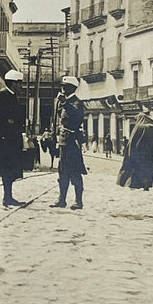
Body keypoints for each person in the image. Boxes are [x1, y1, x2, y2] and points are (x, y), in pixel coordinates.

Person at [0, 69, 25, 208]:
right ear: (13, 84)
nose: (21, 87)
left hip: (12, 142)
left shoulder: (13, 98)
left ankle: (8, 197)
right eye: (20, 84)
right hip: (0, 142)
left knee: (9, 171)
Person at [50, 76, 88, 210]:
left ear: (72, 88)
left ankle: (78, 201)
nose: (62, 89)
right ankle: (62, 200)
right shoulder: (63, 102)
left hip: (72, 141)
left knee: (75, 171)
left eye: (65, 87)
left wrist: (65, 103)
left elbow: (77, 116)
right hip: (63, 141)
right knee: (62, 172)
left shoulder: (76, 102)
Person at [116, 108, 153, 191]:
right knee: (147, 171)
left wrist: (129, 155)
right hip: (149, 155)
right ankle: (146, 186)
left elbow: (131, 143)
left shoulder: (138, 127)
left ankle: (134, 185)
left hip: (138, 155)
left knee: (137, 170)